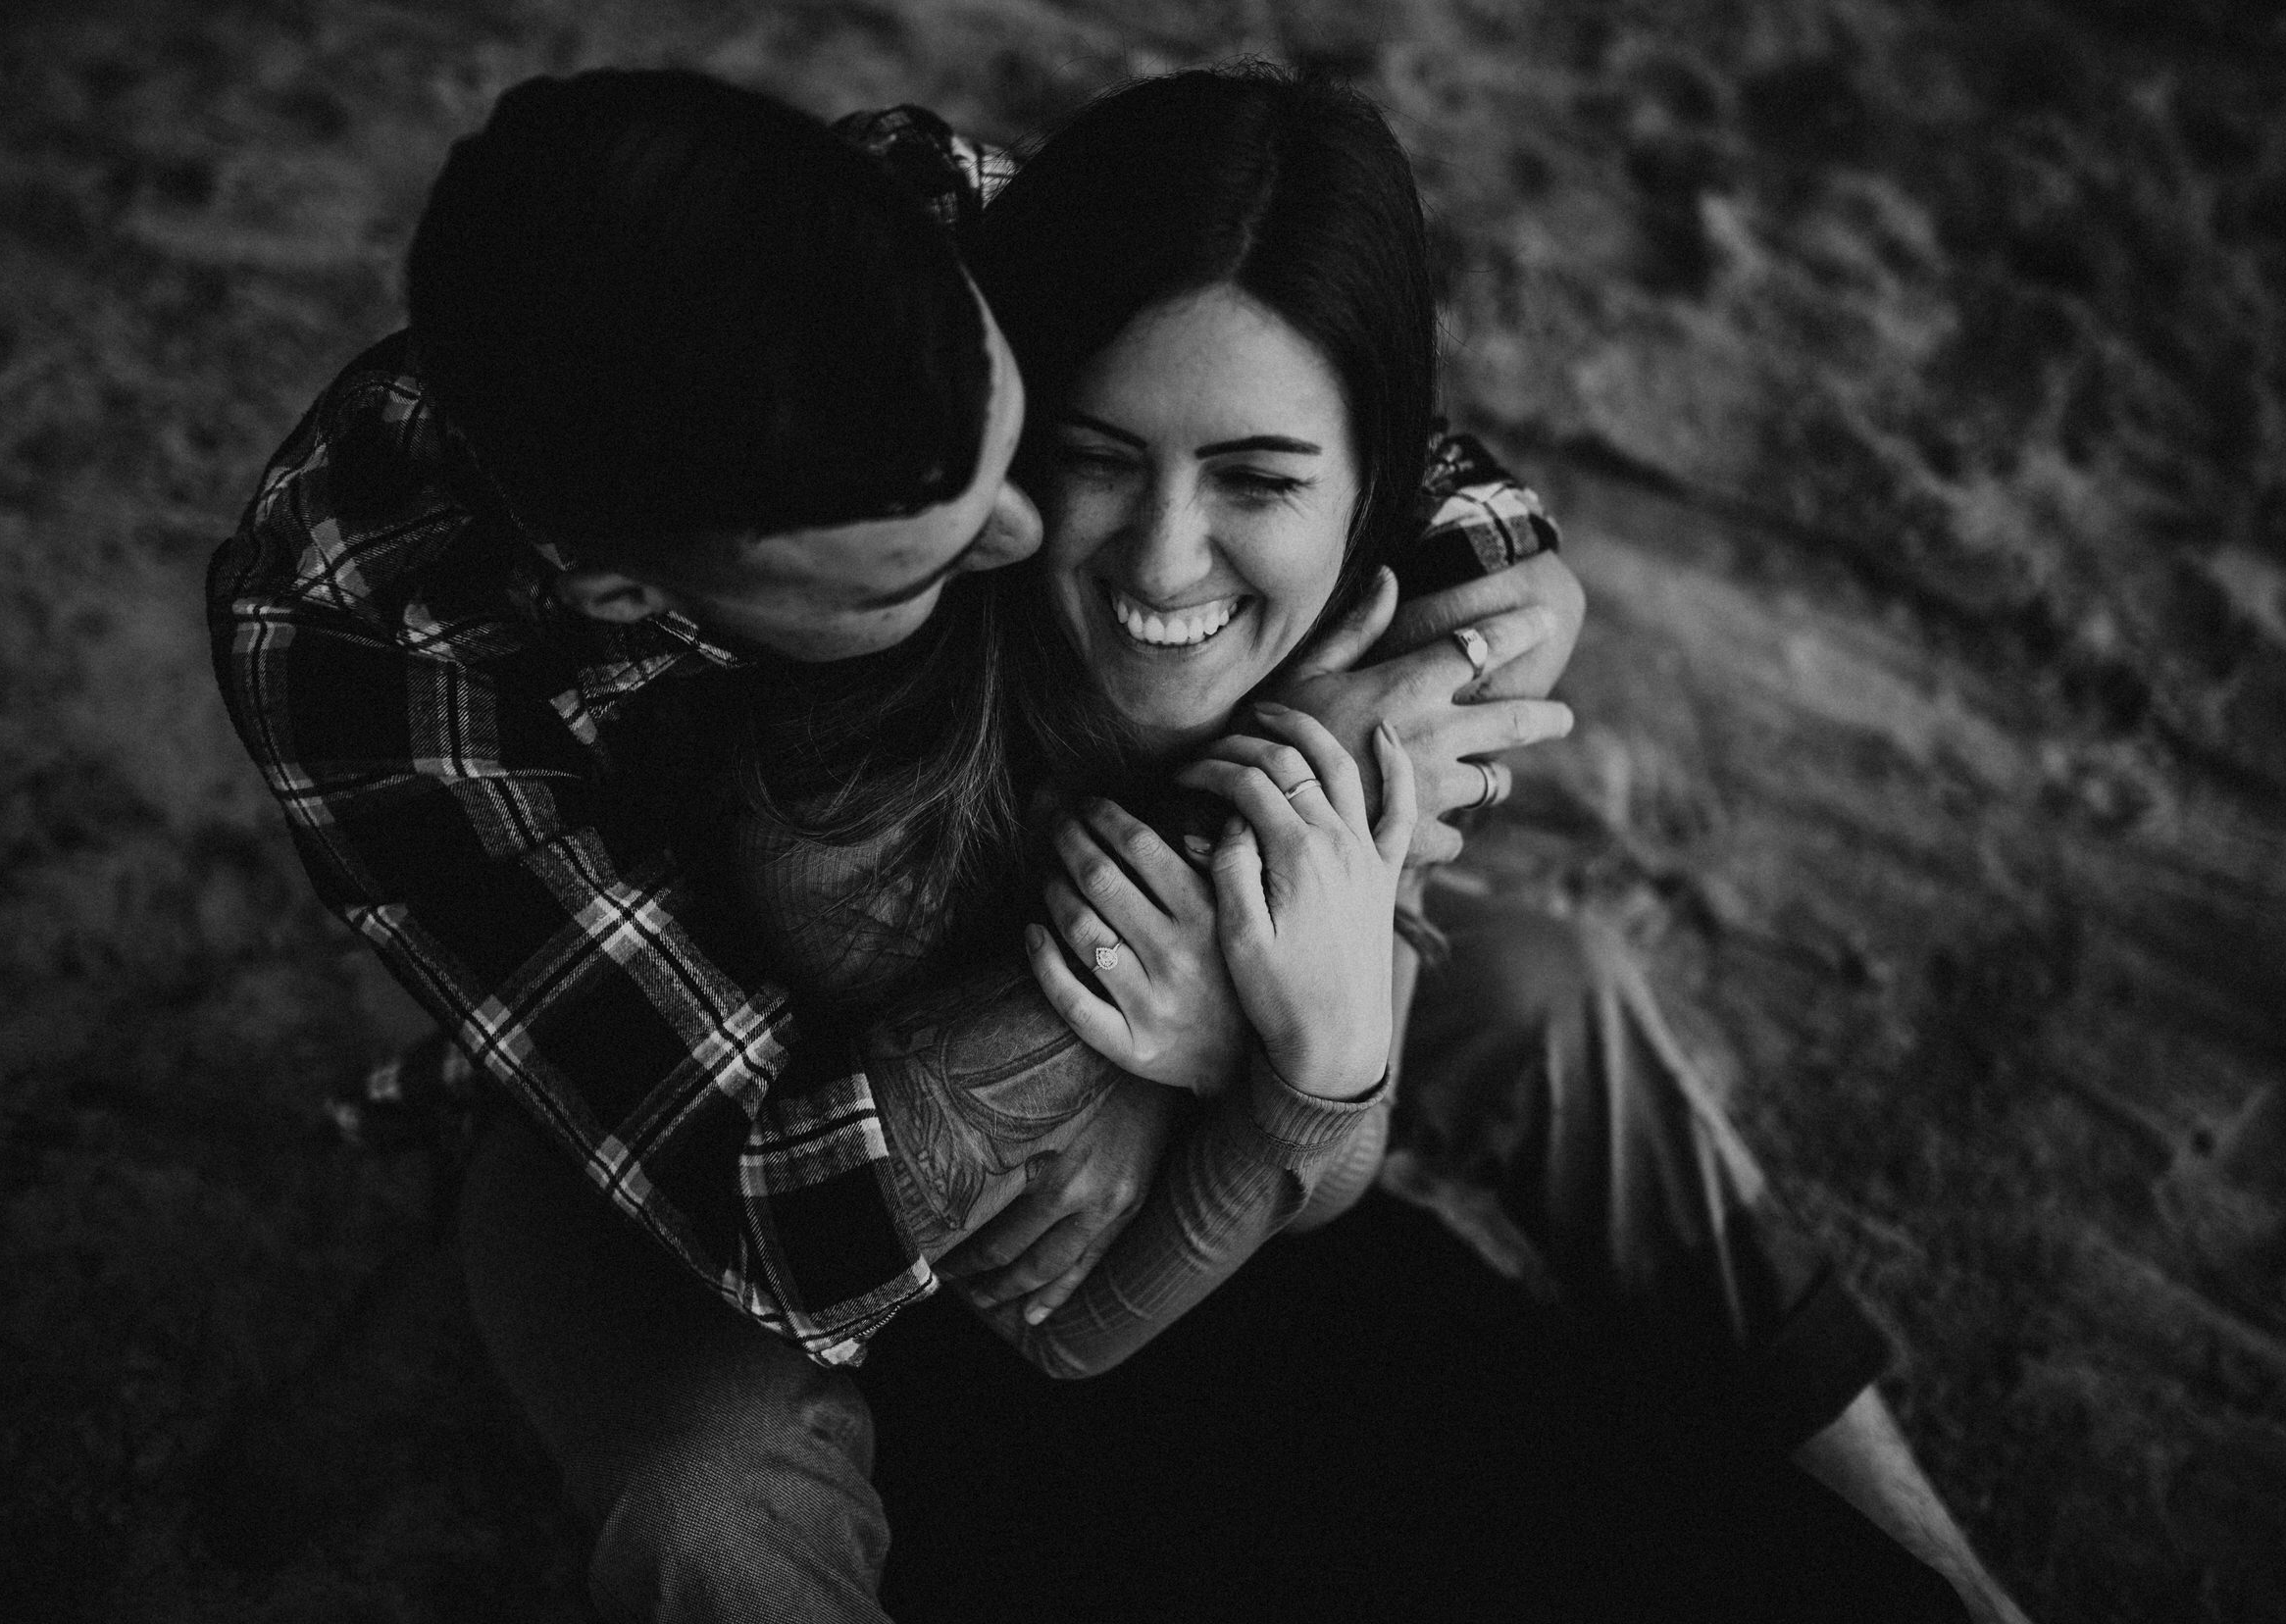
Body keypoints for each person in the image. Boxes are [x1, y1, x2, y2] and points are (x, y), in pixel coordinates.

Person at [206, 67, 1582, 1621]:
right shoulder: (361, 660)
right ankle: (470, 1280)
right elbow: (782, 1215)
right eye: (923, 560)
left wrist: (1503, 585)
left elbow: (1340, 403)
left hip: (999, 874)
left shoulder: (891, 223)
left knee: (1543, 996)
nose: (1022, 536)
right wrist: (1207, 923)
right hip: (671, 1071)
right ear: (636, 601)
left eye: (1013, 440)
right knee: (705, 1506)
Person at [704, 65, 2033, 1623]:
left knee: (1563, 1000)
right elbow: (1055, 1323)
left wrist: (1297, 1049)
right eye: (1098, 457)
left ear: (1373, 487)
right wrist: (1263, 1043)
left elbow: (1337, 1120)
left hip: (1231, 1170)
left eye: (1260, 479)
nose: (1167, 558)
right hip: (929, 1255)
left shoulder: (1359, 634)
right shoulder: (857, 794)